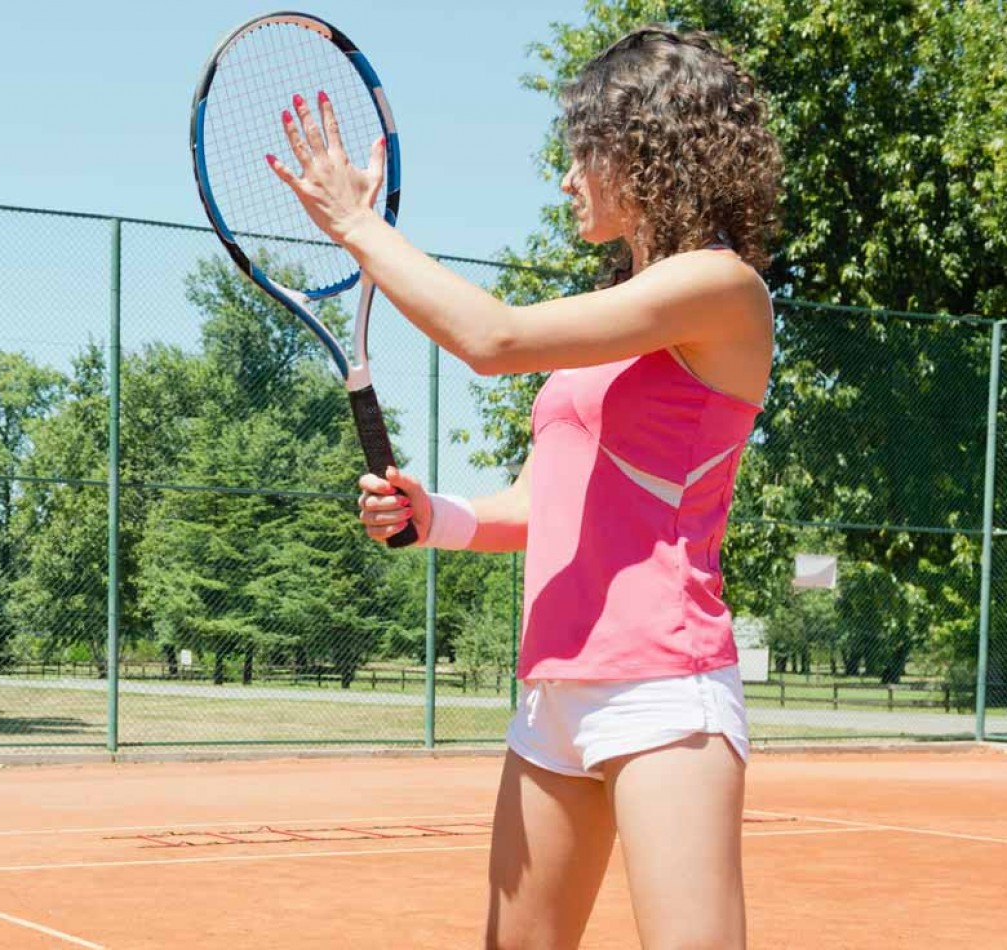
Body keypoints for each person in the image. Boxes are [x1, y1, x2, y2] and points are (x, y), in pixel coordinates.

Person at [268, 26, 782, 949]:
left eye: (583, 151)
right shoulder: (617, 311)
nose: (567, 178)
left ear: (647, 145)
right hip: (553, 692)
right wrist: (438, 518)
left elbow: (493, 340)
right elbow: (539, 503)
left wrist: (356, 224)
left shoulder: (719, 287)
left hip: (662, 690)